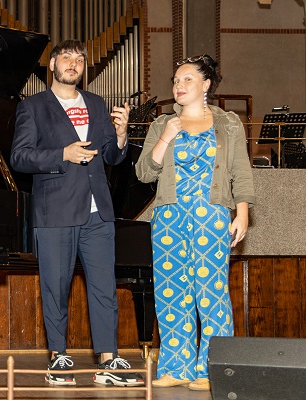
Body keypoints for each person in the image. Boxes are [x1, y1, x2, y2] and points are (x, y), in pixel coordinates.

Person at [10, 39, 144, 387]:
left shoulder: (97, 104)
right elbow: (20, 157)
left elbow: (112, 156)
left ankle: (109, 359)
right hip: (55, 211)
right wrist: (62, 154)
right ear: (53, 64)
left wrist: (121, 135)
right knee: (56, 288)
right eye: (66, 57)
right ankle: (58, 356)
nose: (74, 63)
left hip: (99, 211)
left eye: (80, 59)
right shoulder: (32, 107)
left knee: (104, 288)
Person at [135, 54, 255, 391]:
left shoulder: (228, 123)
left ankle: (212, 369)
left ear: (206, 84)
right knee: (171, 290)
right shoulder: (162, 124)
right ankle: (177, 367)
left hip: (211, 215)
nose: (179, 85)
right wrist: (166, 137)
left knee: (211, 292)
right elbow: (144, 173)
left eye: (187, 79)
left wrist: (242, 212)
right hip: (169, 216)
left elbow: (240, 171)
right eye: (176, 80)